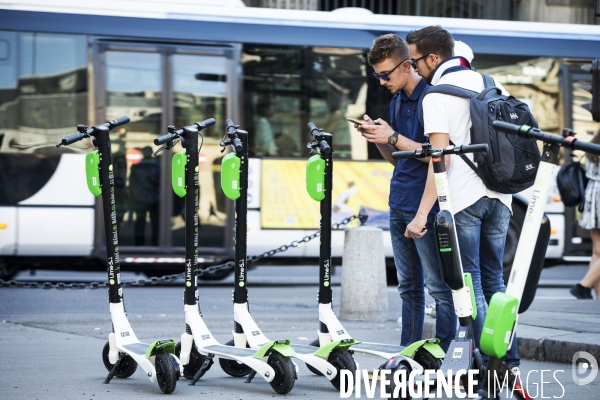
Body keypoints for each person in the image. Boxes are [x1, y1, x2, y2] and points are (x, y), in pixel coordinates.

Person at [405, 25, 521, 377]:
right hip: (501, 195)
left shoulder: (435, 96)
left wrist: (422, 213)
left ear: (434, 57)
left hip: (465, 200)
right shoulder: (491, 84)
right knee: (496, 282)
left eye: (415, 61)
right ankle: (510, 360)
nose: (414, 69)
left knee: (470, 283)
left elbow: (441, 161)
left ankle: (488, 366)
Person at [356, 33, 456, 352]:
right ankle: (407, 352)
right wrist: (381, 138)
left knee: (438, 287)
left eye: (386, 74)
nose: (382, 81)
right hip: (398, 202)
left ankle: (443, 350)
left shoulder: (432, 98)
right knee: (408, 286)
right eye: (378, 75)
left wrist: (394, 137)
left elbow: (437, 155)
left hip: (423, 206)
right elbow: (397, 157)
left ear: (408, 64)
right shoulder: (397, 99)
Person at [571, 130, 600, 299]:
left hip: (591, 196)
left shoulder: (591, 149)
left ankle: (598, 297)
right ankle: (583, 285)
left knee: (597, 252)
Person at [129, 146, 160, 246]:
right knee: (140, 221)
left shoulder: (157, 164)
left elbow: (162, 180)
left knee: (155, 222)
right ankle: (139, 242)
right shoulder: (137, 164)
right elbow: (132, 180)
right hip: (140, 197)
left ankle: (155, 242)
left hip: (154, 197)